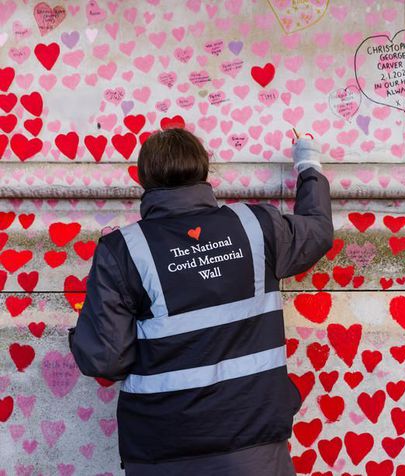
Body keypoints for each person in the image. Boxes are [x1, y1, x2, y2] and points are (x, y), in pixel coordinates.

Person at [68, 127, 333, 475]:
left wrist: (79, 335)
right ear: (203, 170)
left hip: (162, 452)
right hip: (254, 450)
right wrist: (307, 163)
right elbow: (318, 230)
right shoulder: (257, 226)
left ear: (143, 178)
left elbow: (105, 360)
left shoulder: (122, 250)